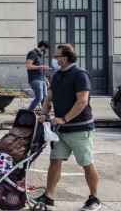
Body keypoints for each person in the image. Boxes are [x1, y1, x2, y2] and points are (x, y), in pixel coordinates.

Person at [35, 44, 102, 211]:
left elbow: (82, 101)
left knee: (86, 163)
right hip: (61, 130)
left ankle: (94, 199)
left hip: (80, 128)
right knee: (55, 161)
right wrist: (44, 113)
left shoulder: (80, 75)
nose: (55, 59)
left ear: (65, 57)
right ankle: (49, 197)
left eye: (57, 56)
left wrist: (64, 119)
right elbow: (49, 97)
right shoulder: (57, 75)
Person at [26, 41, 50, 111]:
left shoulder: (39, 55)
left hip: (41, 79)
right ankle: (28, 112)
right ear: (42, 47)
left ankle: (45, 115)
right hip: (35, 79)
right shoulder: (33, 53)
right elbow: (28, 66)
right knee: (39, 97)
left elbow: (40, 68)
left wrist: (45, 79)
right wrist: (41, 67)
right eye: (46, 49)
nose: (46, 51)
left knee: (45, 98)